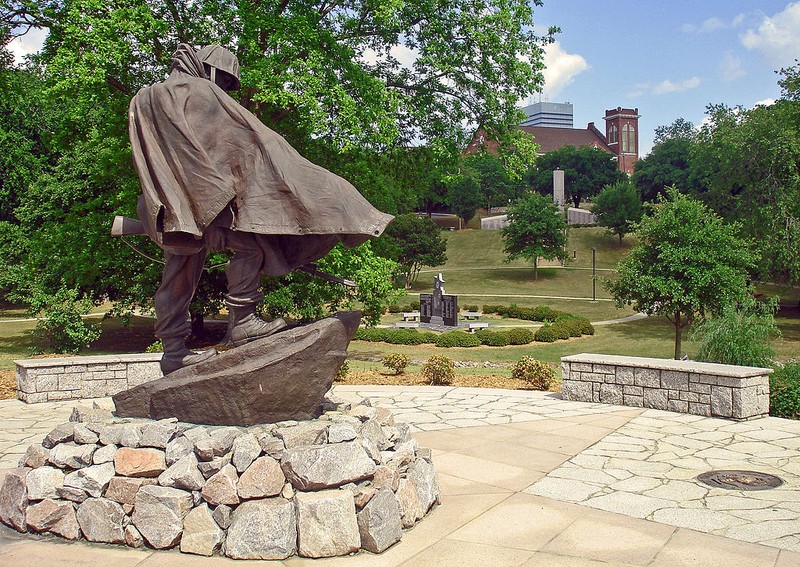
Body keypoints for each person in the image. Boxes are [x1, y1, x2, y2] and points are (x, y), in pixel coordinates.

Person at [128, 44, 393, 374]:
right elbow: (250, 144)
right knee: (252, 247)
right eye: (224, 82)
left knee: (176, 278)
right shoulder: (199, 91)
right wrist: (306, 181)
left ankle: (172, 354)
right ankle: (242, 321)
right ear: (211, 71)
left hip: (166, 207)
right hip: (205, 203)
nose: (224, 91)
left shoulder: (144, 97)